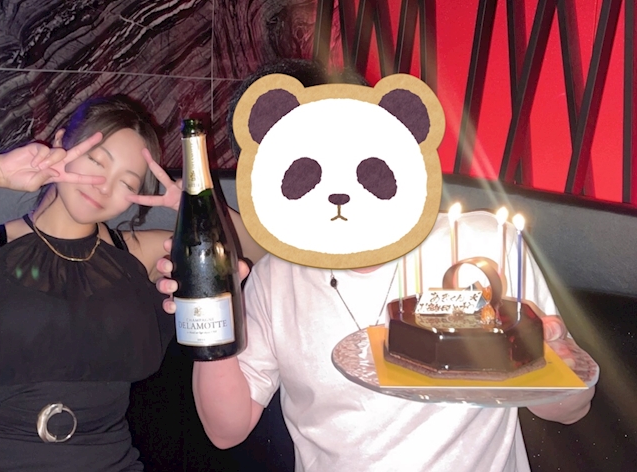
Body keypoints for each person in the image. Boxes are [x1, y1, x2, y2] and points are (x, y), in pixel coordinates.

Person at [155, 61, 596, 472]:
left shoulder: (481, 242)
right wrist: (211, 320)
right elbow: (226, 430)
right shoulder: (274, 279)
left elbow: (569, 410)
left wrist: (551, 363)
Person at [0, 94, 263, 471]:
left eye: (126, 183)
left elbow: (263, 250)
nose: (103, 186)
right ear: (61, 144)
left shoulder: (141, 255)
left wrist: (194, 202)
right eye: (96, 162)